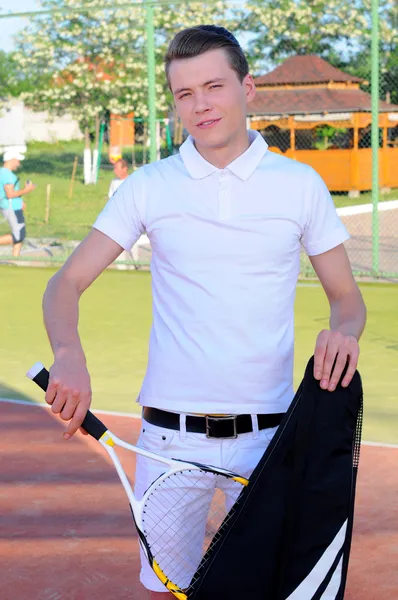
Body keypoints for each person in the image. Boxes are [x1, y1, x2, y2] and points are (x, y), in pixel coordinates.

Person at [41, 26, 367, 599]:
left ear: (249, 89)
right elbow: (65, 282)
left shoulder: (299, 185)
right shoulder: (149, 187)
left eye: (213, 86)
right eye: (184, 94)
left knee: (269, 590)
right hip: (167, 442)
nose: (200, 105)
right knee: (169, 591)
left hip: (269, 442)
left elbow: (347, 299)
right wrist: (68, 352)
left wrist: (343, 332)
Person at [0, 149, 36, 257]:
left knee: (20, 232)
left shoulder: (2, 172)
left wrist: (20, 200)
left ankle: (16, 258)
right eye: (17, 160)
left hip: (11, 206)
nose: (18, 163)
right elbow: (10, 194)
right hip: (11, 208)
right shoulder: (8, 175)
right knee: (19, 235)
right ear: (12, 159)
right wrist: (27, 190)